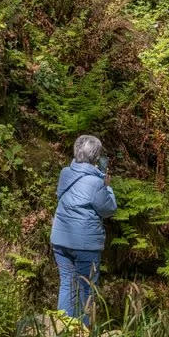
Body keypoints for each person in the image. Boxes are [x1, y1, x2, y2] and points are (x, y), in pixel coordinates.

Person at [49, 135, 117, 324]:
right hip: (85, 244)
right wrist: (107, 186)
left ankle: (62, 330)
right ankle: (82, 336)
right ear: (96, 157)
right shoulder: (96, 183)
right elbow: (109, 209)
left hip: (60, 240)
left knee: (66, 285)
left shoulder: (65, 173)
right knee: (87, 289)